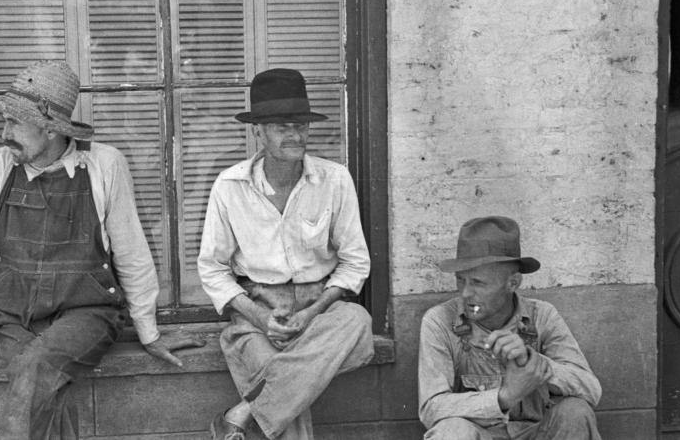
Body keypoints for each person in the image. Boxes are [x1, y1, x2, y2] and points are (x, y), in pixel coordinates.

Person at [0, 61, 204, 439]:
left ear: (49, 130)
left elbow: (131, 251)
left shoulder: (102, 164)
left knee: (34, 371)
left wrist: (148, 331)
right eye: (4, 121)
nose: (5, 133)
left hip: (88, 312)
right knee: (43, 383)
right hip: (15, 317)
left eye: (15, 123)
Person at [197, 68, 374, 440]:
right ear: (257, 131)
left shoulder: (334, 179)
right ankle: (260, 398)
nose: (295, 136)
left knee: (356, 320)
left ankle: (241, 412)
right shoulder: (229, 186)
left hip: (321, 311)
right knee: (284, 380)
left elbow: (355, 261)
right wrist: (261, 318)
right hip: (257, 310)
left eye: (301, 126)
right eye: (282, 127)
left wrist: (311, 312)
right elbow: (212, 269)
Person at [418, 216, 602, 440]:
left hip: (537, 433)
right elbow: (431, 409)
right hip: (480, 435)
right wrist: (504, 397)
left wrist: (534, 364)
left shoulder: (542, 316)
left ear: (513, 283)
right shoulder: (440, 321)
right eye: (460, 280)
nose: (465, 293)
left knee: (575, 412)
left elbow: (591, 389)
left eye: (478, 283)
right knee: (452, 432)